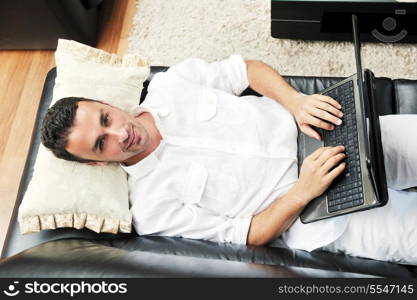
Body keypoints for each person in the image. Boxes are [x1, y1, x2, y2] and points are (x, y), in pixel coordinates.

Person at [41, 55, 417, 265]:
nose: (120, 135)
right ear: (95, 163)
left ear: (107, 105)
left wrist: (296, 102)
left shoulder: (171, 85)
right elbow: (246, 236)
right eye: (100, 144)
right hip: (324, 216)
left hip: (329, 132)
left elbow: (245, 70)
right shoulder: (151, 209)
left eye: (106, 120)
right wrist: (303, 191)